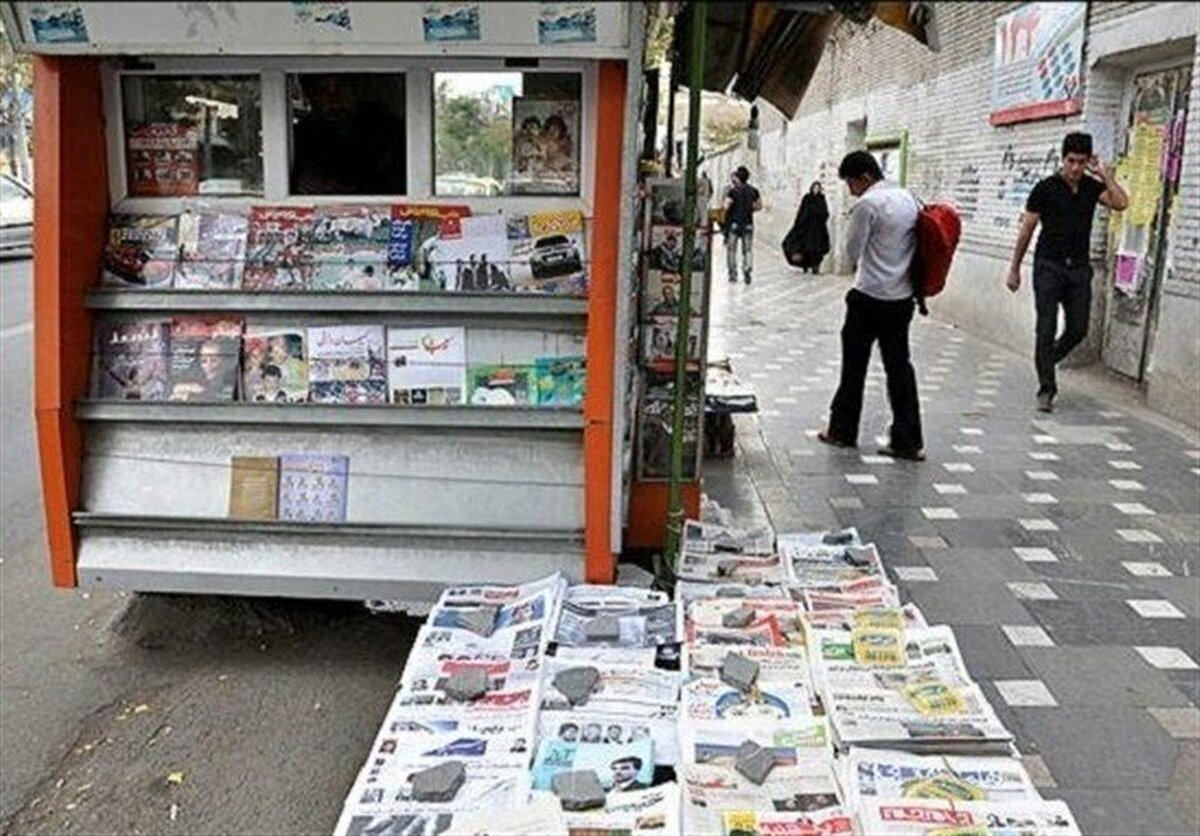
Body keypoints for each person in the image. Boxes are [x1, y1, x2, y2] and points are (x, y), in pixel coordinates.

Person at [1005, 131, 1129, 412]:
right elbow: (1027, 230)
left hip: (1079, 270)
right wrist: (1014, 269)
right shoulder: (1045, 188)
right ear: (1063, 159)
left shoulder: (1091, 187)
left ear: (1088, 162)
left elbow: (1121, 203)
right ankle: (1046, 389)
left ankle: (1046, 360)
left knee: (1078, 328)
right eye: (1071, 161)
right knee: (1046, 327)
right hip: (1048, 267)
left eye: (1081, 162)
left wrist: (1104, 174)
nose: (1075, 168)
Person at [818, 151, 925, 461]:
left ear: (864, 177)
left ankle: (842, 430)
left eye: (851, 183)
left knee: (854, 367)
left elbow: (851, 251)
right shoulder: (909, 198)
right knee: (899, 369)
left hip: (867, 298)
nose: (851, 191)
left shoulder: (868, 204)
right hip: (901, 299)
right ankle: (908, 441)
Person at [722, 166, 762, 284]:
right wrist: (749, 209)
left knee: (731, 250)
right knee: (747, 250)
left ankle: (733, 274)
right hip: (748, 223)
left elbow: (726, 206)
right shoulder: (754, 191)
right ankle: (747, 270)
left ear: (738, 178)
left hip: (734, 224)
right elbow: (759, 206)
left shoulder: (733, 191)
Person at [784, 181, 831, 273]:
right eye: (814, 188)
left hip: (817, 229)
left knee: (816, 249)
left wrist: (819, 216)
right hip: (806, 228)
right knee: (804, 248)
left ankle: (815, 267)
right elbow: (802, 211)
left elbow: (825, 212)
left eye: (818, 188)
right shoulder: (807, 198)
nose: (816, 190)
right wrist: (798, 223)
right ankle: (805, 265)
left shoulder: (821, 199)